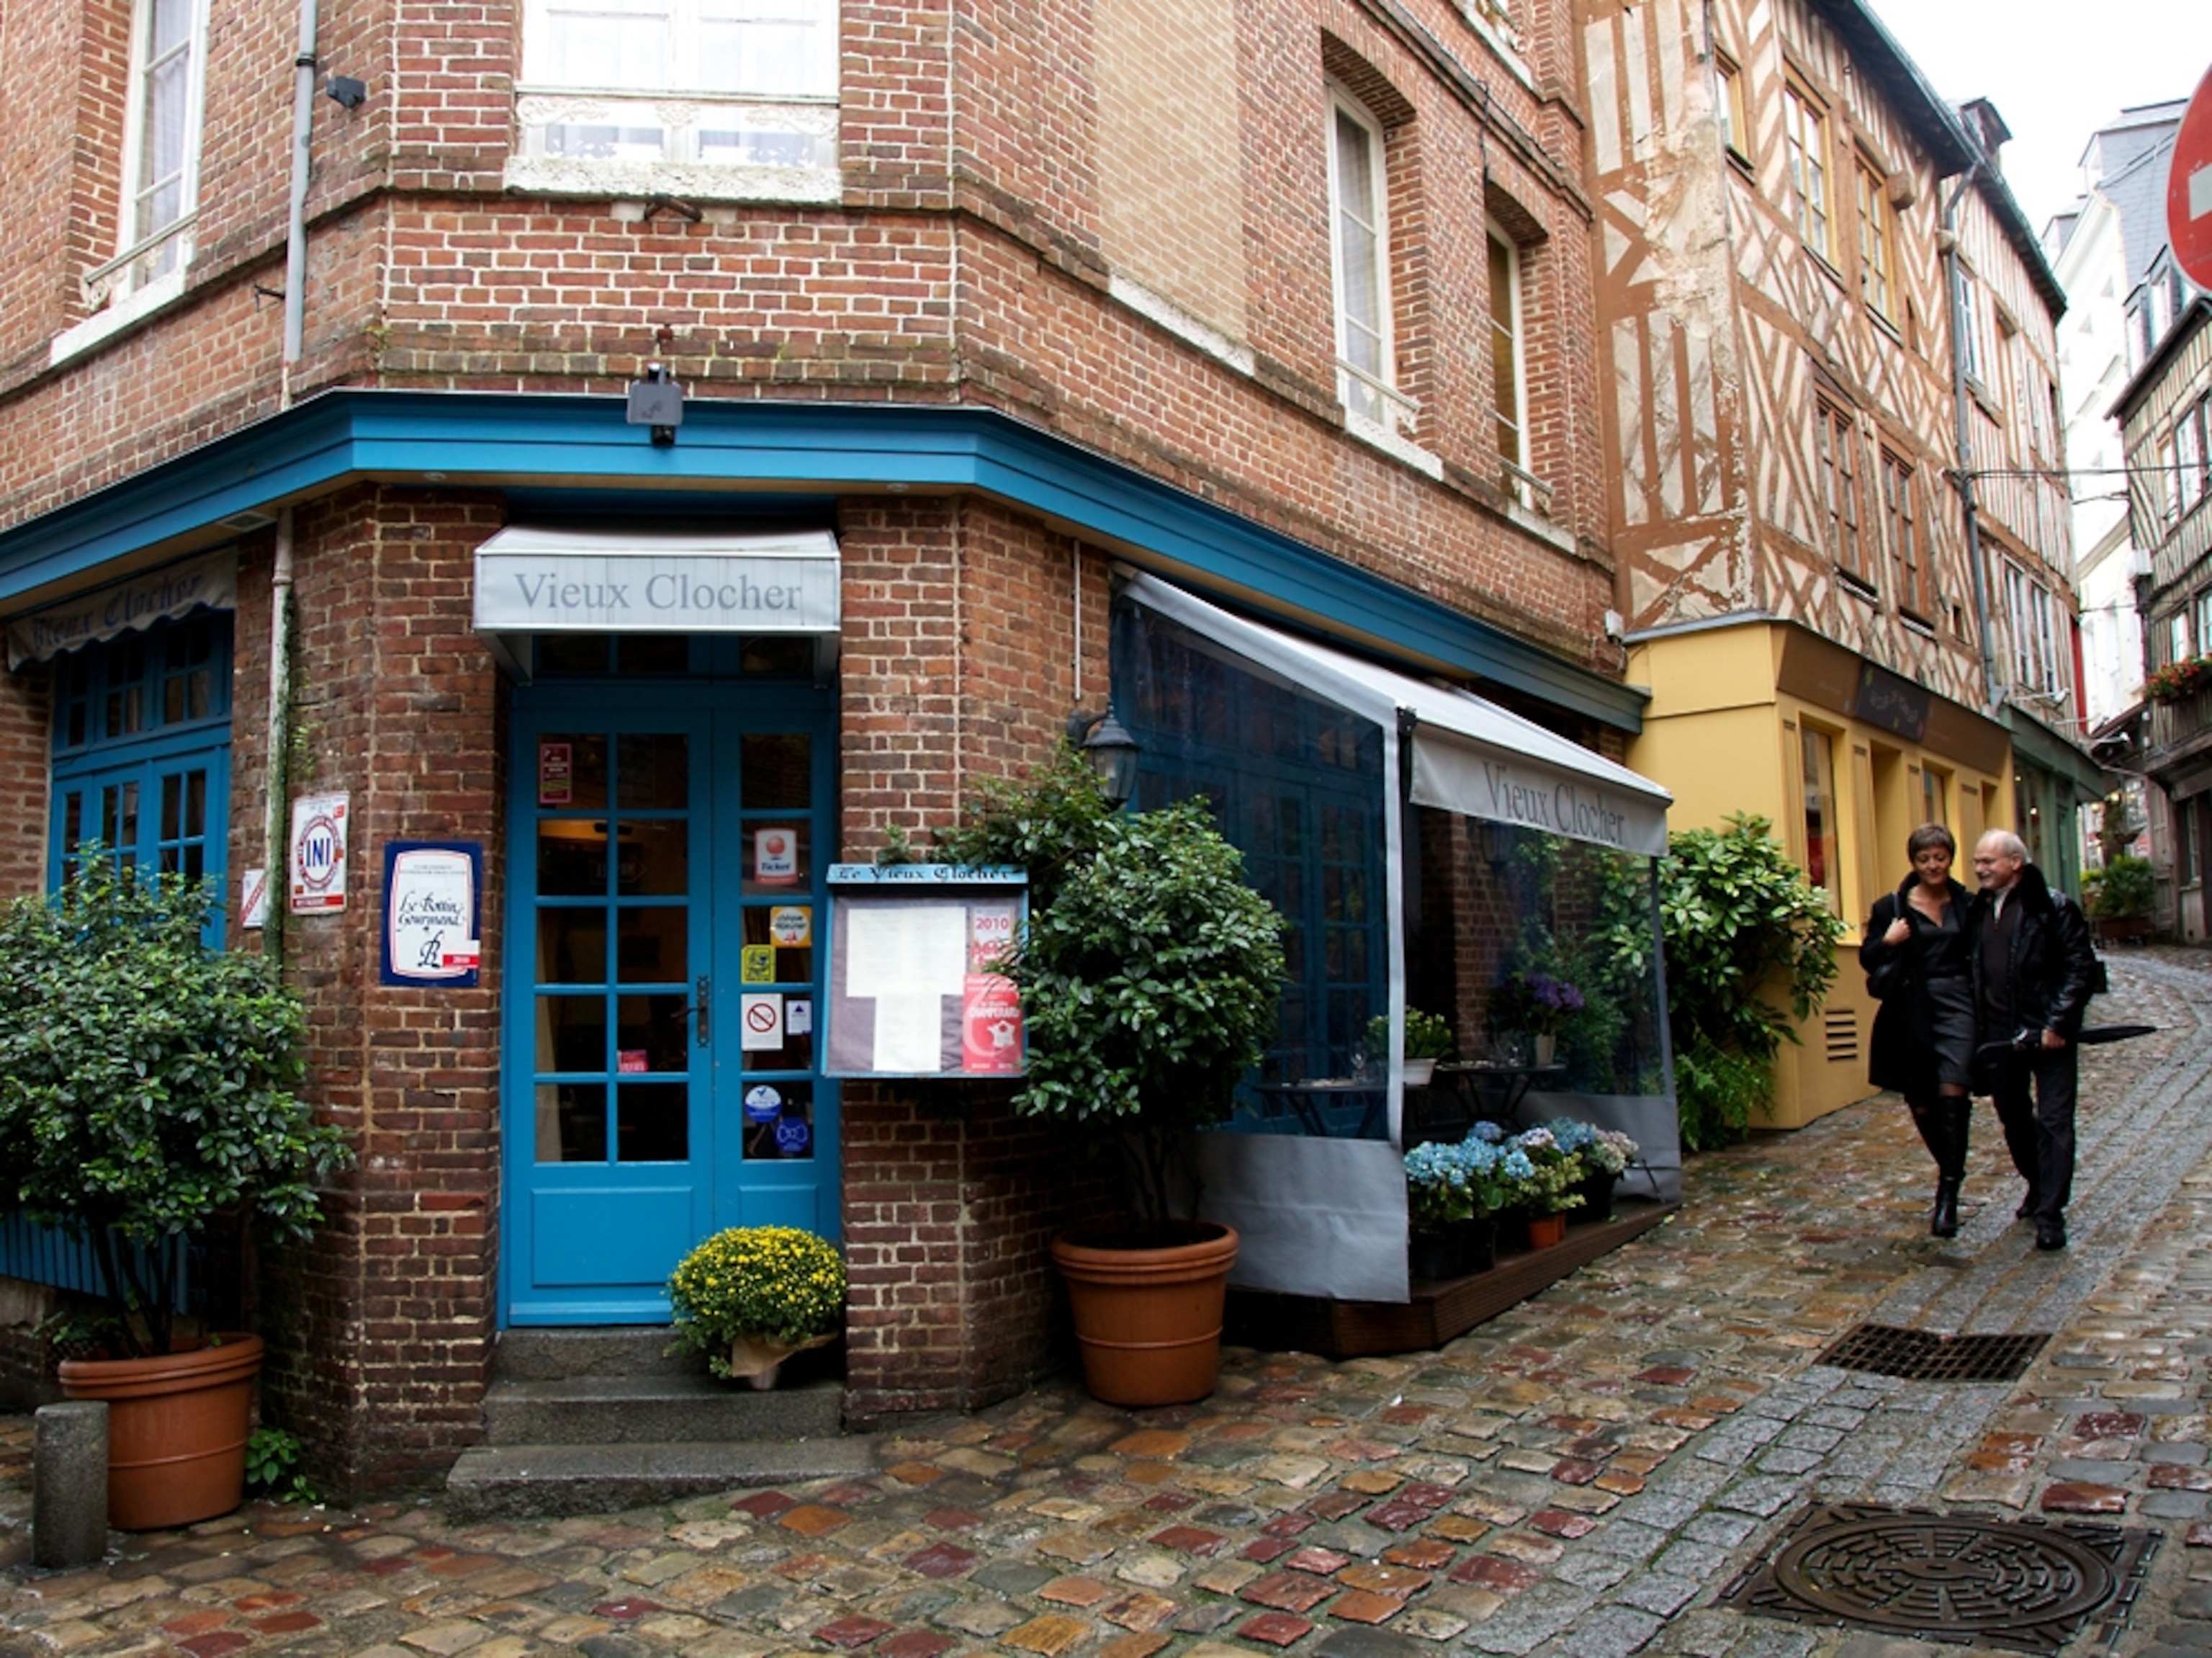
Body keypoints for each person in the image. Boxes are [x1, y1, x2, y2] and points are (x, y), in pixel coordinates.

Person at [1967, 829, 2098, 1252]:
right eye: (1978, 861)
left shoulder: (2052, 907)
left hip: (2049, 1035)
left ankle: (2051, 1214)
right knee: (2015, 1119)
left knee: (2056, 1122)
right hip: (2001, 1038)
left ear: (2015, 863)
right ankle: (2039, 1185)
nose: (1981, 869)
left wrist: (2058, 1023)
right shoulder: (1980, 909)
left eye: (1989, 861)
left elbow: (2080, 968)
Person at [1861, 824, 1977, 1237]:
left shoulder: (1967, 903)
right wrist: (1889, 941)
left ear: (1951, 857)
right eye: (1925, 859)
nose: (1933, 865)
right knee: (1923, 1104)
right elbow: (1868, 960)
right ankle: (1951, 1168)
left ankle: (1948, 1195)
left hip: (1960, 1007)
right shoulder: (1891, 907)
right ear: (1914, 862)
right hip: (1913, 1011)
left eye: (1940, 857)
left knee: (1954, 1093)